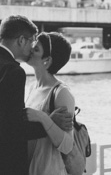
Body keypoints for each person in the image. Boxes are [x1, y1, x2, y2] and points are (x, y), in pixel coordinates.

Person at [0, 15, 72, 175]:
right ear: (21, 40)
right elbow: (11, 129)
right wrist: (49, 122)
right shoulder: (11, 71)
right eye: (32, 41)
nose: (32, 48)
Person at [25, 32, 75, 175]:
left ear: (46, 60)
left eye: (36, 49)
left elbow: (67, 146)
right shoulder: (32, 87)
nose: (30, 50)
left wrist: (42, 118)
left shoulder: (61, 93)